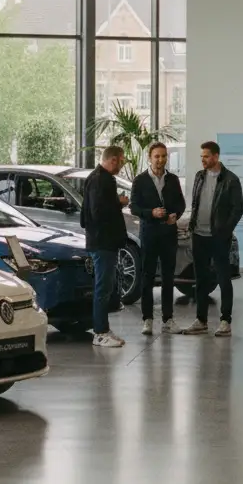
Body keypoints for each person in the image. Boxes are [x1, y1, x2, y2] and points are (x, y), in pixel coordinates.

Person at [182, 141, 243, 338]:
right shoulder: (199, 176)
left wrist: (225, 231)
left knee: (223, 278)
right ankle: (201, 321)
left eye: (206, 156)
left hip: (218, 237)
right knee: (200, 280)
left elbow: (238, 209)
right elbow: (195, 202)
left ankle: (225, 321)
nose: (203, 160)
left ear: (216, 157)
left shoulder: (230, 180)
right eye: (201, 157)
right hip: (199, 235)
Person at [130, 141, 186, 336]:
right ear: (150, 158)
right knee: (148, 276)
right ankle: (147, 319)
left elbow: (181, 203)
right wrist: (151, 212)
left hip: (169, 234)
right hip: (150, 234)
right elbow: (134, 207)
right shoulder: (140, 180)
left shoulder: (173, 179)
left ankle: (168, 319)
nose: (161, 159)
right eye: (157, 156)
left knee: (169, 277)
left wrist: (175, 216)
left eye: (163, 156)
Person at [80, 145, 129, 348]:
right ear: (114, 160)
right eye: (122, 160)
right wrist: (119, 203)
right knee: (103, 288)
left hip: (104, 242)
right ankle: (99, 332)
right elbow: (97, 212)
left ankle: (103, 328)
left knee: (106, 287)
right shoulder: (101, 180)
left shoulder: (98, 178)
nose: (123, 164)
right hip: (103, 243)